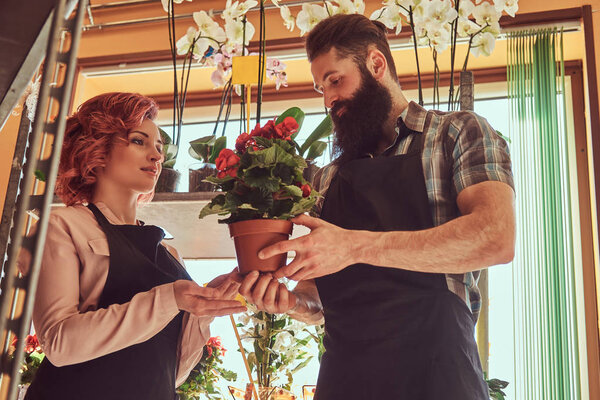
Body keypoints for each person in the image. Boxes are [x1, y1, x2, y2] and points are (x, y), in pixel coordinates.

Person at [239, 14, 515, 400]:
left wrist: (355, 246)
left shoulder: (455, 133)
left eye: (335, 80)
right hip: (346, 380)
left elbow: (494, 238)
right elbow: (317, 298)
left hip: (437, 375)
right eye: (321, 88)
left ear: (376, 64)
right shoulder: (327, 180)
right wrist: (292, 304)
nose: (329, 99)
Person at [21, 92, 246, 400]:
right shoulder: (62, 226)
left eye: (159, 147)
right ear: (97, 148)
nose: (156, 156)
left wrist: (202, 311)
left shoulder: (169, 253)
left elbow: (171, 374)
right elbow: (59, 344)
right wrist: (169, 299)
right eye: (139, 141)